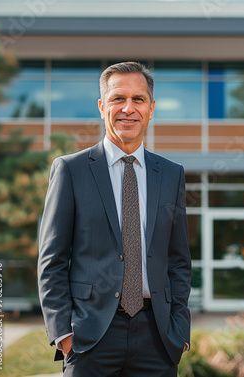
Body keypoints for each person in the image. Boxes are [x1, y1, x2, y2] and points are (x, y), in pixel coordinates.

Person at [37, 61, 192, 377]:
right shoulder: (71, 170)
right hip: (90, 337)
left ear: (151, 108)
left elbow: (178, 260)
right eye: (118, 99)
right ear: (101, 106)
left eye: (138, 100)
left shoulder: (171, 174)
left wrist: (180, 330)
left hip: (158, 337)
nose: (128, 109)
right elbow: (51, 260)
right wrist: (63, 333)